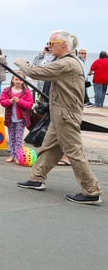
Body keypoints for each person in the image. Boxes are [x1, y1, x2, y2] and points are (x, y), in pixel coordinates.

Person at [15, 30, 103, 205]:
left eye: (51, 42)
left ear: (63, 45)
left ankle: (92, 191)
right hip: (60, 113)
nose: (49, 45)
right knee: (50, 147)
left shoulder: (67, 64)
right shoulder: (66, 62)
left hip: (65, 115)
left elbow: (36, 73)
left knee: (74, 152)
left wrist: (21, 63)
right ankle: (36, 178)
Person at [0, 73, 33, 163]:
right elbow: (2, 101)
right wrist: (9, 101)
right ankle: (12, 155)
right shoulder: (7, 90)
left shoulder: (26, 91)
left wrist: (20, 101)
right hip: (10, 118)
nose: (18, 81)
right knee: (11, 137)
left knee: (18, 138)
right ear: (12, 80)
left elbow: (29, 104)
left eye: (21, 79)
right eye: (16, 79)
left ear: (24, 81)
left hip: (21, 119)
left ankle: (18, 156)